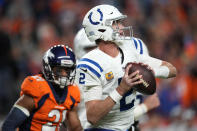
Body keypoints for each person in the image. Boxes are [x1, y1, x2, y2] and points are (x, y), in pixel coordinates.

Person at [75, 4, 177, 131]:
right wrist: (121, 89)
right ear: (101, 29)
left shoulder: (130, 46)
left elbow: (172, 70)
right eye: (115, 23)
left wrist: (153, 71)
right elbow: (92, 116)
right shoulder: (90, 64)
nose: (122, 27)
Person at [74, 28, 160, 130]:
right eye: (92, 48)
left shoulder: (121, 71)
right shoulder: (81, 75)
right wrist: (144, 107)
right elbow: (101, 119)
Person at [2, 45, 82, 131]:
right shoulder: (38, 88)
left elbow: (76, 128)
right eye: (59, 70)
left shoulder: (72, 92)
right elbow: (9, 125)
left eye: (67, 70)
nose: (64, 75)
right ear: (48, 68)